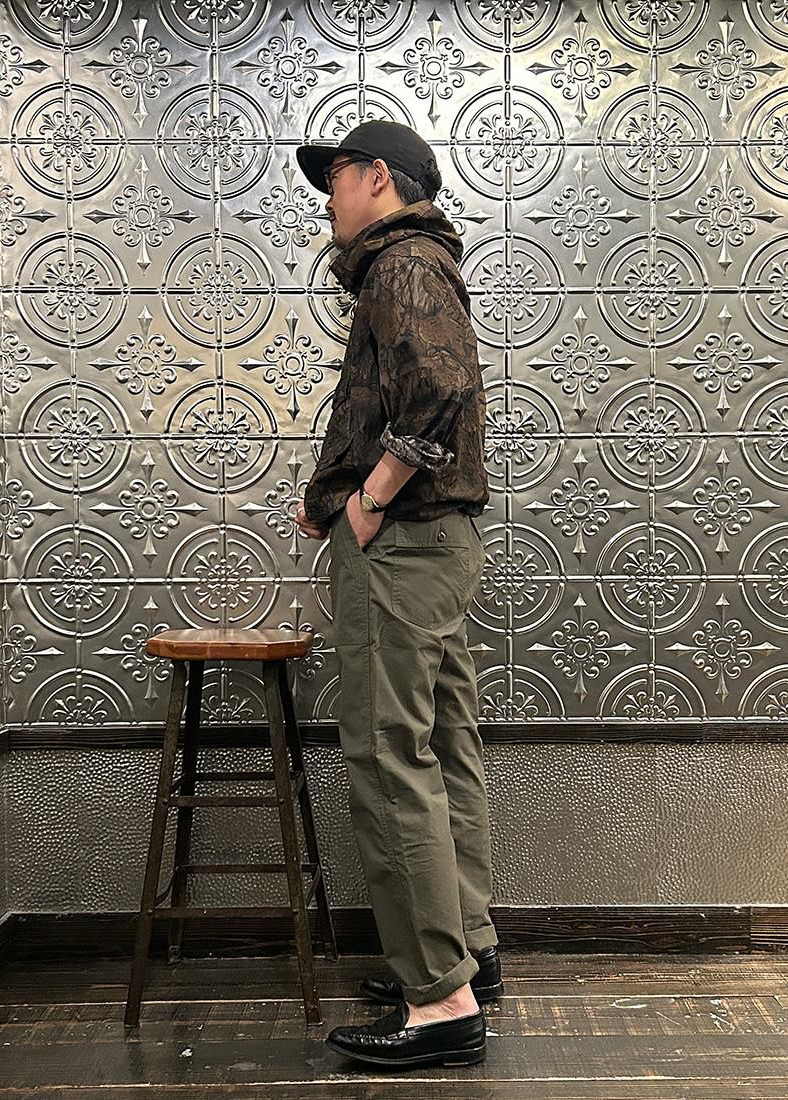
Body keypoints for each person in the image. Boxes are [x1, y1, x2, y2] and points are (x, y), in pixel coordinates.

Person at [294, 120, 502, 1069]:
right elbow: (412, 396)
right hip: (439, 543)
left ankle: (440, 1000)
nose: (327, 199)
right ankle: (468, 954)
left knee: (388, 758)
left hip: (406, 543)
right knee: (443, 747)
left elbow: (439, 392)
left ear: (379, 177)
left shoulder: (400, 262)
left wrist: (369, 499)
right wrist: (332, 495)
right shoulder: (421, 261)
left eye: (335, 177)